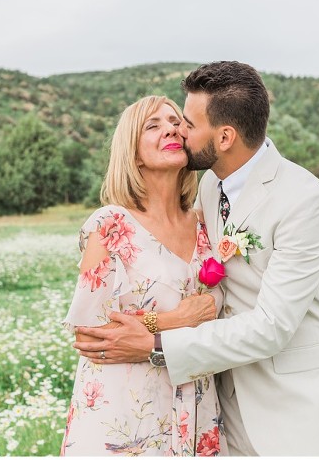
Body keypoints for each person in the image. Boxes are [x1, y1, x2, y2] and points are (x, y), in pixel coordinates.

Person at [74, 61, 319, 456]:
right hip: (217, 411)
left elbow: (273, 325)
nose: (178, 131)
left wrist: (158, 340)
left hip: (296, 418)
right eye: (162, 124)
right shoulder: (209, 189)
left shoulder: (304, 199)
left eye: (186, 122)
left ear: (224, 137)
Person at [60, 95, 229, 456]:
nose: (170, 128)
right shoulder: (110, 225)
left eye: (175, 122)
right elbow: (88, 335)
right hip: (125, 414)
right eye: (153, 125)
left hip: (196, 407)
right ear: (133, 153)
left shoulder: (204, 223)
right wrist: (176, 319)